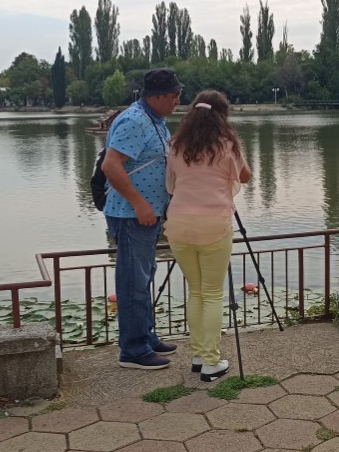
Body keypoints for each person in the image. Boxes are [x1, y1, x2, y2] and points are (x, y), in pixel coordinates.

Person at [164, 90, 251, 382]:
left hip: (178, 225)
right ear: (222, 116)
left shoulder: (177, 145)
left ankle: (199, 356)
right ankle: (212, 363)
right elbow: (244, 176)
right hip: (214, 224)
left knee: (196, 291)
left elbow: (170, 185)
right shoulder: (227, 144)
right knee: (213, 293)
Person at [101, 68, 184, 369]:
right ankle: (133, 350)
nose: (178, 101)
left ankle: (146, 336)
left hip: (147, 215)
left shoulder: (155, 120)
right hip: (131, 215)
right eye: (175, 95)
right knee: (132, 281)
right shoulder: (135, 120)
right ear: (158, 96)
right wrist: (139, 204)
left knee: (144, 276)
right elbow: (111, 165)